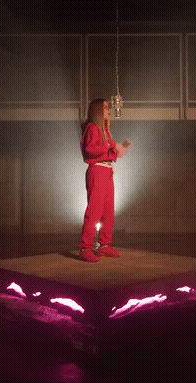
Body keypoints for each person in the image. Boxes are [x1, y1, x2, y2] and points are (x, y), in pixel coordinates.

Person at [78, 99, 130, 262]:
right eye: (106, 107)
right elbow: (89, 150)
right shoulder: (92, 127)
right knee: (94, 212)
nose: (110, 110)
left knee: (108, 211)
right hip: (97, 171)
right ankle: (86, 248)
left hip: (106, 171)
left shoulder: (105, 131)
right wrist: (110, 145)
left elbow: (104, 151)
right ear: (97, 111)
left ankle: (104, 245)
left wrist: (117, 152)